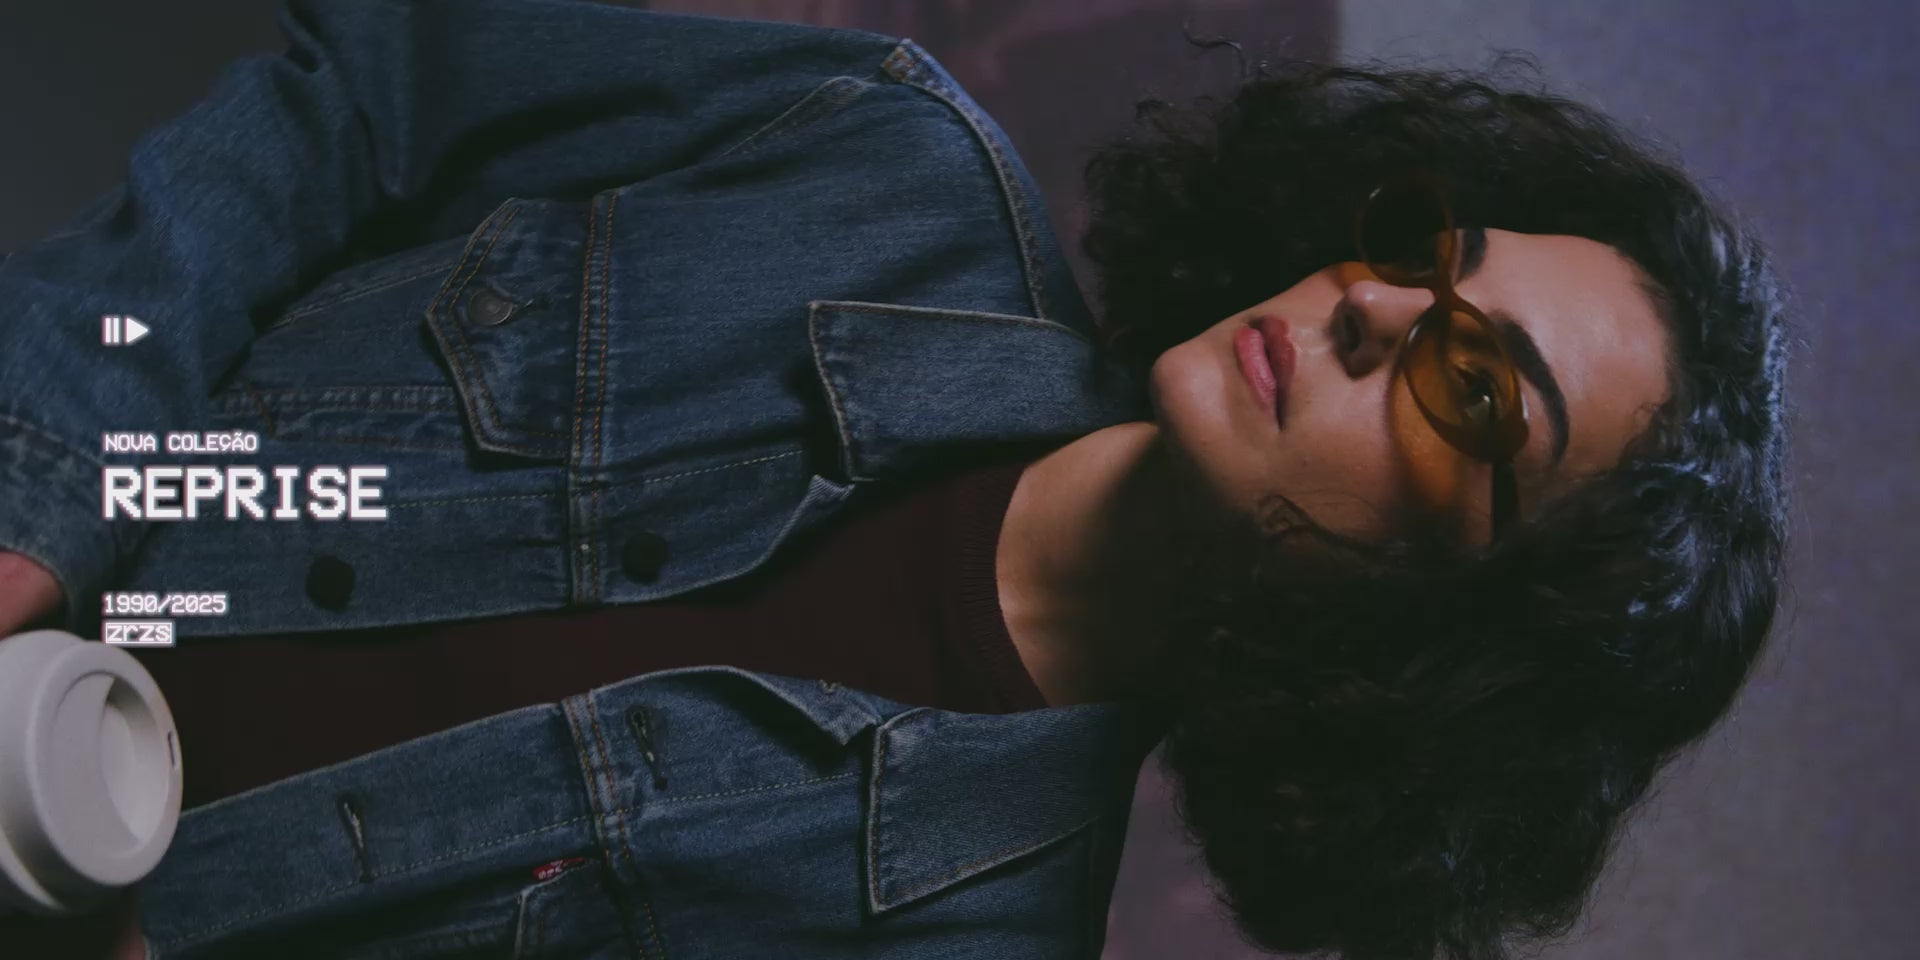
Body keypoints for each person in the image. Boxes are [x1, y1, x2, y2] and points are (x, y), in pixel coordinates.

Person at [0, 1, 1791, 958]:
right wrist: (40, 489)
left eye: (1472, 389)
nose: (1371, 308)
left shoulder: (964, 934)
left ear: (1457, 641)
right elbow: (364, 96)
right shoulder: (883, 156)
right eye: (1430, 252)